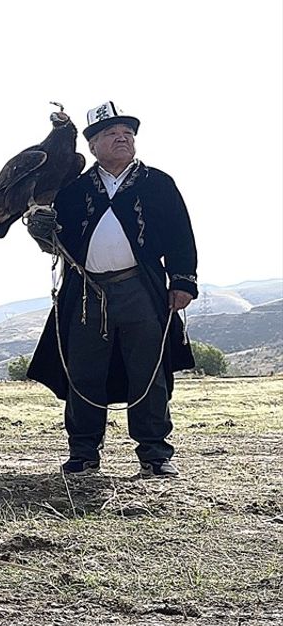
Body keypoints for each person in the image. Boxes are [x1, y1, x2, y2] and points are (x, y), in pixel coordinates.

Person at [26, 102, 197, 478]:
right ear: (92, 146)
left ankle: (155, 453)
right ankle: (83, 452)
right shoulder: (73, 189)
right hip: (86, 291)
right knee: (83, 372)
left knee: (148, 371)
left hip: (141, 288)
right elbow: (60, 243)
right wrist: (40, 230)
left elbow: (181, 237)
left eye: (128, 133)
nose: (122, 138)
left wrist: (183, 282)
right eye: (111, 134)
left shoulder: (159, 183)